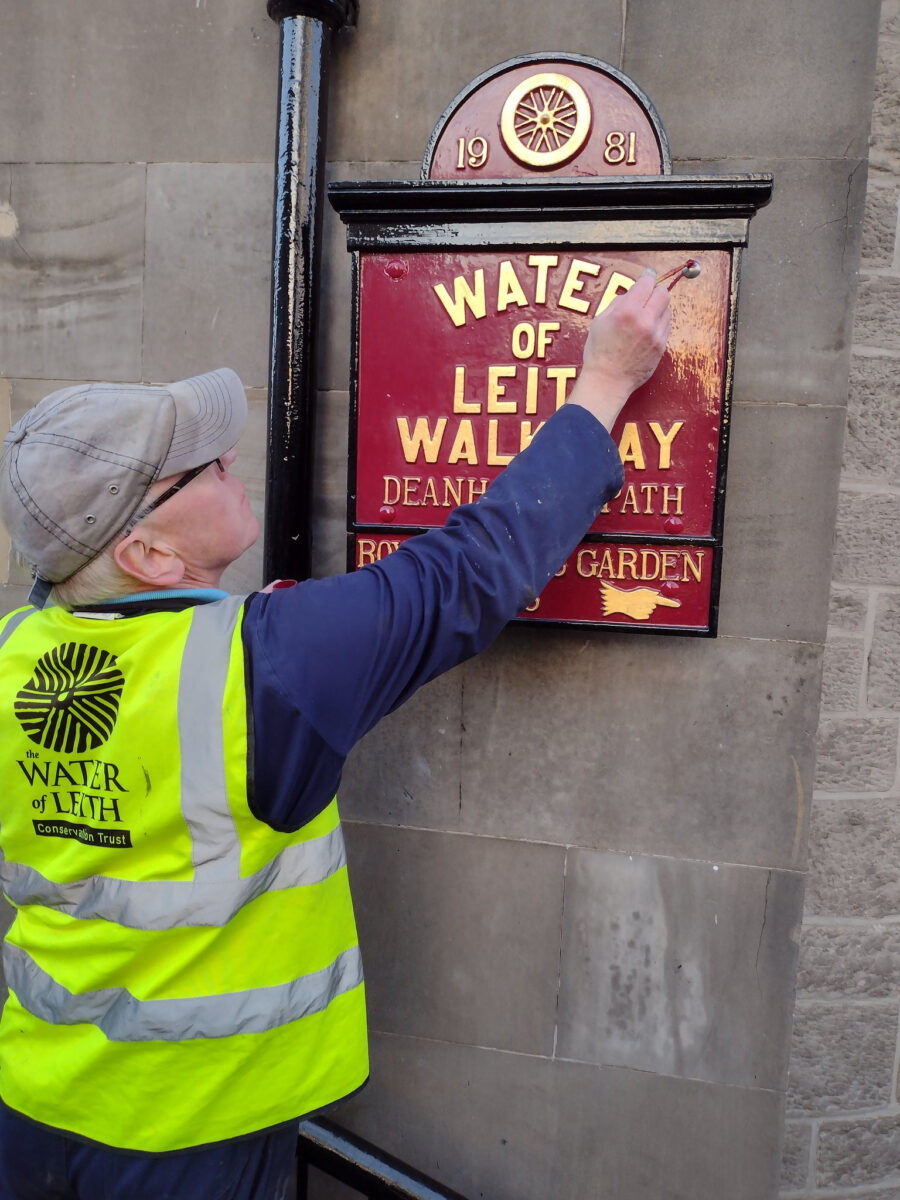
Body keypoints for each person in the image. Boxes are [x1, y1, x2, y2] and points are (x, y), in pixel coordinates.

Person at [0, 270, 670, 1199]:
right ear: (147, 555)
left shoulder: (16, 651)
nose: (230, 456)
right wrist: (606, 380)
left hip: (33, 1107)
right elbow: (466, 575)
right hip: (195, 1131)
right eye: (203, 467)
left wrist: (252, 640)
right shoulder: (267, 665)